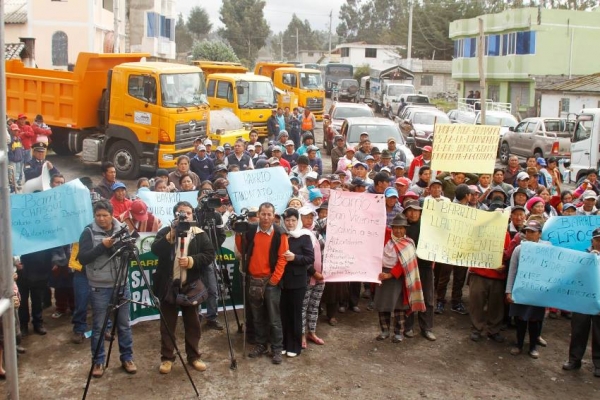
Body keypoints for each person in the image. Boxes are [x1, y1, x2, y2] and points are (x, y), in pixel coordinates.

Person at [151, 201, 215, 374]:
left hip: (191, 285)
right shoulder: (166, 232)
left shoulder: (200, 234)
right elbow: (155, 249)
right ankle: (167, 358)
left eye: (188, 212)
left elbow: (209, 254)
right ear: (174, 216)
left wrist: (192, 261)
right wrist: (171, 234)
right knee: (167, 324)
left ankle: (194, 356)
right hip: (168, 286)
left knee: (193, 324)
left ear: (193, 215)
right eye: (181, 213)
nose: (185, 215)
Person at [78, 200, 136, 378]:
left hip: (121, 283)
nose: (101, 219)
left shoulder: (122, 230)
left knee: (124, 325)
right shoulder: (88, 232)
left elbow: (132, 254)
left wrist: (125, 248)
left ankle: (127, 358)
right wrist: (103, 246)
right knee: (99, 327)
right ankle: (98, 361)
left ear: (112, 215)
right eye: (98, 215)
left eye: (105, 215)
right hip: (99, 286)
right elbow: (83, 258)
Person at [236, 202, 289, 364]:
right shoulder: (250, 230)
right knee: (257, 316)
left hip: (270, 280)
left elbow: (283, 258)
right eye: (263, 214)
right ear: (258, 214)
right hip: (253, 279)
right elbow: (242, 248)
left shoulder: (280, 233)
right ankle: (261, 344)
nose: (266, 217)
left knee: (274, 317)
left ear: (274, 216)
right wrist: (238, 233)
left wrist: (274, 279)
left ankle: (276, 348)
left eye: (269, 214)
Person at [374, 214, 426, 342]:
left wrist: (391, 274)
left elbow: (405, 263)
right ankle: (384, 331)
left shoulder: (408, 243)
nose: (398, 230)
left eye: (401, 228)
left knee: (399, 307)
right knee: (383, 305)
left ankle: (398, 332)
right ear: (391, 228)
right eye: (396, 227)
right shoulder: (385, 238)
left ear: (405, 229)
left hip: (398, 278)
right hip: (382, 275)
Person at [505, 220, 549, 359]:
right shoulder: (519, 249)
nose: (529, 234)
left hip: (538, 291)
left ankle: (533, 346)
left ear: (539, 234)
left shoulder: (547, 249)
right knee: (520, 318)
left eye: (533, 232)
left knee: (535, 319)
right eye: (527, 231)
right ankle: (519, 344)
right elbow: (512, 271)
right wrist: (509, 291)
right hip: (521, 289)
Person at [562, 227, 600, 378]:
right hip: (581, 300)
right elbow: (573, 274)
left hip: (599, 301)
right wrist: (590, 259)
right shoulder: (582, 255)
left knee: (599, 332)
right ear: (592, 241)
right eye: (598, 240)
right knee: (578, 330)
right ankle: (574, 360)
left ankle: (598, 363)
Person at [280, 208, 315, 357]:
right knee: (283, 313)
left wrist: (295, 257)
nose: (290, 223)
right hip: (282, 281)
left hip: (297, 281)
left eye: (293, 220)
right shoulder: (281, 236)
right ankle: (284, 344)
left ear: (298, 220)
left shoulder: (304, 236)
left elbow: (309, 258)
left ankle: (295, 346)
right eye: (287, 220)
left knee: (295, 313)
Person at [403, 200, 436, 341]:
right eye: (410, 210)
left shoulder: (429, 227)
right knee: (408, 297)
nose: (413, 213)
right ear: (405, 213)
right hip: (408, 267)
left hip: (425, 266)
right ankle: (407, 326)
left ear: (421, 213)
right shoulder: (402, 228)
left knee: (427, 298)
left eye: (416, 210)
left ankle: (426, 328)